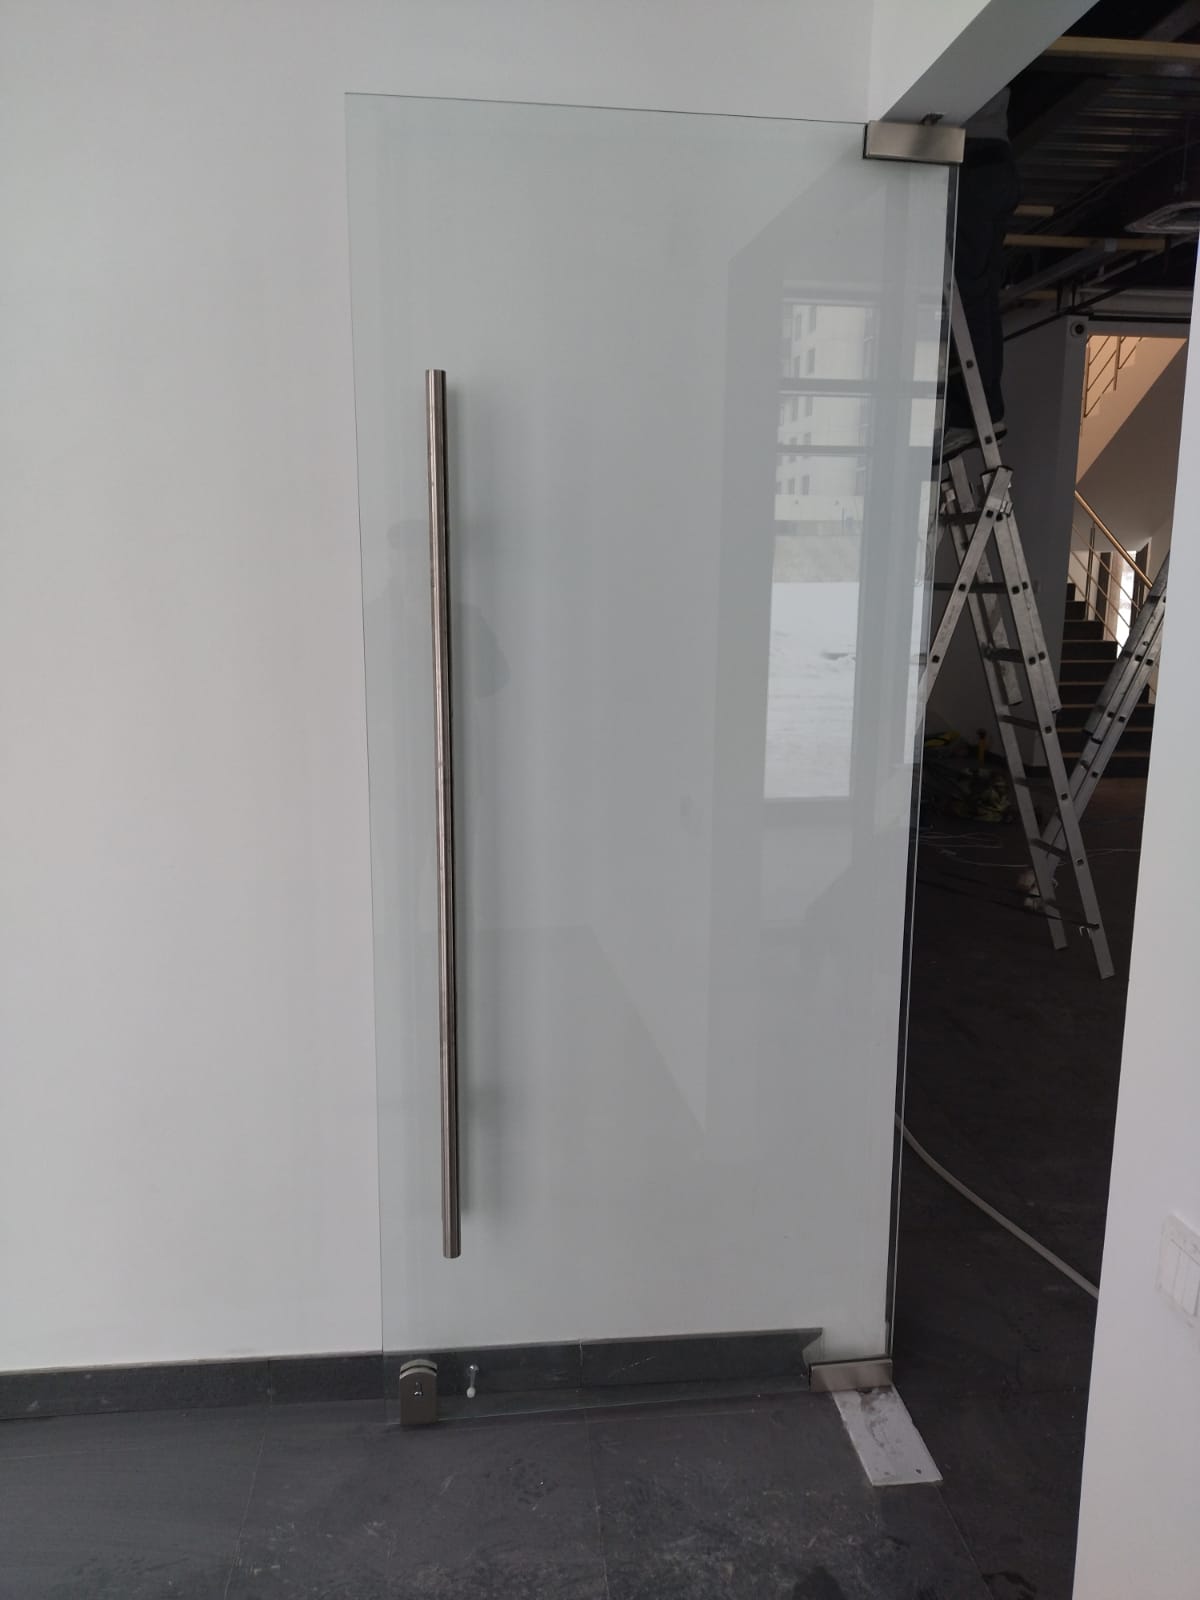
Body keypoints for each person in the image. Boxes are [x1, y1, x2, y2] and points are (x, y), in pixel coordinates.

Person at [944, 87, 1021, 455]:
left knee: (981, 296)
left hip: (987, 157)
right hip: (976, 155)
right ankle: (978, 412)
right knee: (975, 296)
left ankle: (981, 411)